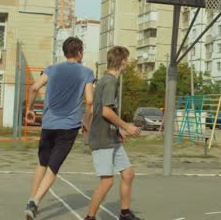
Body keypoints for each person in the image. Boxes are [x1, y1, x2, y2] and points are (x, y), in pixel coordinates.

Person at [24, 37, 95, 219]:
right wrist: (87, 122)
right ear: (79, 52)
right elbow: (90, 100)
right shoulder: (86, 72)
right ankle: (35, 202)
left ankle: (31, 200)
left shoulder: (51, 69)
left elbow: (34, 88)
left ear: (65, 52)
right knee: (53, 167)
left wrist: (30, 109)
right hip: (68, 126)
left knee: (42, 162)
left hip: (48, 124)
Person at [84, 46, 142, 220]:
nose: (127, 63)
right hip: (102, 139)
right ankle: (90, 217)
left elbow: (100, 109)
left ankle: (124, 213)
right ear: (123, 62)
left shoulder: (106, 80)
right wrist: (127, 126)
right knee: (107, 181)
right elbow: (105, 112)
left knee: (128, 173)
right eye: (127, 60)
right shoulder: (110, 81)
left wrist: (116, 130)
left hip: (111, 136)